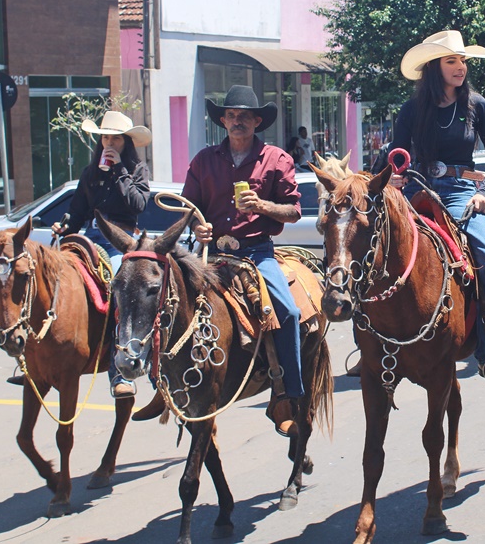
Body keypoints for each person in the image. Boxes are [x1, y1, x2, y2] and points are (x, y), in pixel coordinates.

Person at [134, 85, 305, 432]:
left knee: (288, 311)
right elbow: (189, 208)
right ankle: (162, 386)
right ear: (222, 120)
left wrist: (263, 206)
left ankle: (289, 393)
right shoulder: (203, 160)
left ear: (257, 121)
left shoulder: (276, 159)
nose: (236, 120)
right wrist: (199, 228)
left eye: (244, 116)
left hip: (256, 252)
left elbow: (294, 211)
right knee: (161, 303)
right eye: (231, 115)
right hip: (210, 256)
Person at [391, 29, 485, 389]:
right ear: (435, 67)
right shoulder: (412, 109)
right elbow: (396, 154)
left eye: (462, 60)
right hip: (417, 189)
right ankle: (371, 343)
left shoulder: (477, 105)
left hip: (462, 192)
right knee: (373, 245)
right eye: (451, 61)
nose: (460, 67)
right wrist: (395, 175)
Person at [33, 111, 151, 398]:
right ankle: (32, 361)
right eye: (105, 137)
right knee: (46, 281)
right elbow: (78, 212)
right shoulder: (89, 174)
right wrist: (64, 224)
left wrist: (119, 169)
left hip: (120, 240)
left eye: (115, 138)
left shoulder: (137, 170)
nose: (109, 142)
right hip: (89, 236)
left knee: (120, 291)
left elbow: (137, 205)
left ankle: (119, 373)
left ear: (126, 142)